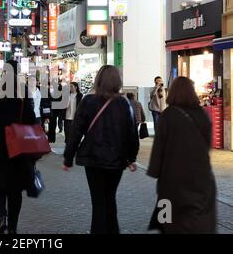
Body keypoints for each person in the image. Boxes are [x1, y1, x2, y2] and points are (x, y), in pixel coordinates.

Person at [63, 65, 139, 234]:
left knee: (98, 201)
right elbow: (132, 133)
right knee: (110, 198)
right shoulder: (124, 103)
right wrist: (132, 158)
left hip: (93, 159)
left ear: (98, 80)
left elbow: (76, 131)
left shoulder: (88, 101)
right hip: (117, 160)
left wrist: (68, 158)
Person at [147, 77, 216, 234]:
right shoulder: (203, 115)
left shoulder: (167, 115)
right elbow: (207, 146)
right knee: (200, 221)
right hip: (202, 179)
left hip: (171, 181)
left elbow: (159, 150)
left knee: (167, 221)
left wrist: (155, 171)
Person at [0, 60, 37, 234]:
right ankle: (12, 227)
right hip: (18, 151)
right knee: (15, 190)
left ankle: (1, 215)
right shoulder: (23, 92)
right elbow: (32, 121)